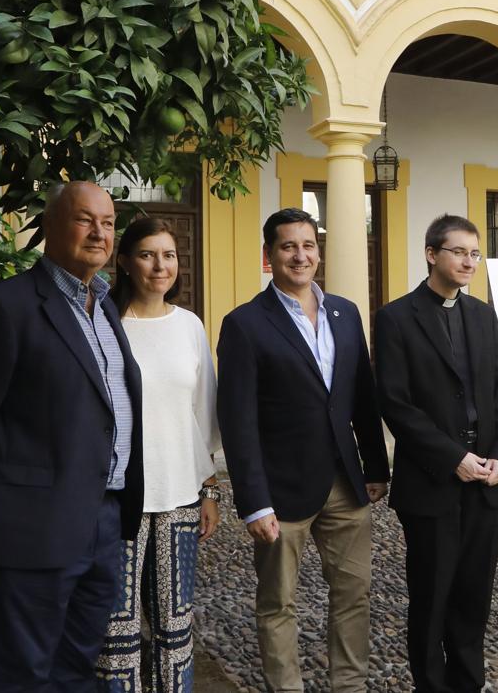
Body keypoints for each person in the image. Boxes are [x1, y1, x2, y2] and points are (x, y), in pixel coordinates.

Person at [0, 181, 144, 690]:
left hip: (103, 521)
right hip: (29, 525)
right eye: (84, 219)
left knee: (76, 667)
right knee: (24, 673)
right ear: (49, 226)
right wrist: (12, 486)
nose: (100, 233)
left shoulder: (106, 306)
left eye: (109, 223)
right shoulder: (6, 307)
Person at [216, 208, 389, 692]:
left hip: (346, 484)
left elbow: (362, 396)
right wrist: (253, 501)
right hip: (281, 490)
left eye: (308, 245)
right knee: (278, 603)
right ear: (268, 255)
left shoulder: (345, 313)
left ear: (319, 250)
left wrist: (375, 466)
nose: (300, 255)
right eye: (288, 246)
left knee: (354, 595)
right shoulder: (245, 324)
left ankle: (349, 686)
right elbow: (238, 422)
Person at [374, 214, 498, 693]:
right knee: (432, 599)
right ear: (432, 254)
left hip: (486, 482)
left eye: (475, 253)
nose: (468, 261)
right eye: (459, 251)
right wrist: (453, 456)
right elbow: (395, 403)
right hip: (433, 482)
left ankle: (468, 684)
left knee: (473, 597)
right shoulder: (395, 318)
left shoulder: (483, 315)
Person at [94, 217, 223, 691]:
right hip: (116, 498)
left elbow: (203, 414)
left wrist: (210, 490)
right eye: (148, 254)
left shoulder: (188, 325)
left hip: (179, 494)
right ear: (125, 262)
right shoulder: (102, 324)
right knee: (117, 628)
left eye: (168, 255)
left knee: (175, 622)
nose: (159, 265)